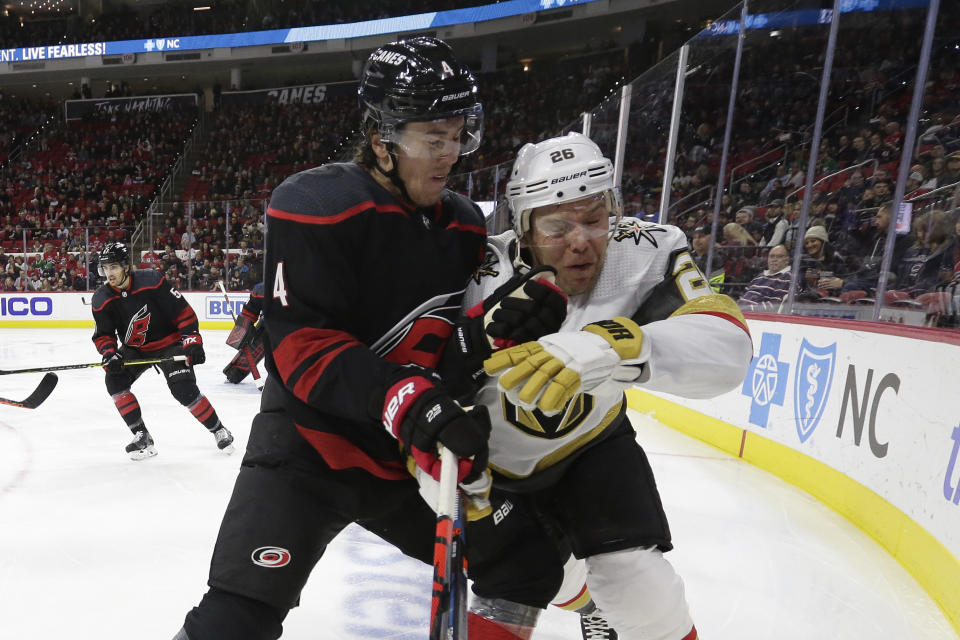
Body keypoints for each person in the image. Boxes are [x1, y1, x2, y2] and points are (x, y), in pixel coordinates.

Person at [175, 37, 573, 640]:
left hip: (407, 458)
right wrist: (405, 397)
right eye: (428, 139)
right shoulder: (314, 203)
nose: (447, 155)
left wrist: (492, 331)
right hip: (310, 448)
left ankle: (600, 605)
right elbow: (303, 346)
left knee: (526, 564)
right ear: (382, 137)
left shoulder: (464, 222)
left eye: (457, 135)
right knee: (237, 616)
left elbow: (443, 345)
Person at [458, 132, 753, 639]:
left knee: (640, 586)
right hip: (492, 466)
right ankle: (588, 604)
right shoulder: (473, 268)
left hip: (593, 445)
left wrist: (616, 344)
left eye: (595, 219)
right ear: (524, 228)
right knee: (517, 591)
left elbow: (728, 350)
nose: (581, 241)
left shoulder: (645, 250)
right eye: (558, 226)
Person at [90, 242, 233, 460]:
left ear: (126, 267)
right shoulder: (101, 298)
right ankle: (142, 435)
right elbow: (104, 335)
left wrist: (193, 342)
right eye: (106, 268)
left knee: (183, 390)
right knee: (114, 381)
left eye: (114, 267)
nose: (109, 273)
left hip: (170, 343)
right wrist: (110, 354)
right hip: (135, 348)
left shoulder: (152, 281)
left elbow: (184, 313)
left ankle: (219, 430)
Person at [222, 281, 265, 386]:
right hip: (269, 322)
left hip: (296, 326)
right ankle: (235, 373)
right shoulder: (263, 288)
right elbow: (249, 309)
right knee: (253, 346)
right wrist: (243, 329)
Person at [737, 244, 792, 309]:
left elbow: (774, 306)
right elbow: (743, 296)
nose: (774, 260)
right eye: (771, 256)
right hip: (740, 312)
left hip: (754, 316)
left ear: (787, 260)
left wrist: (745, 309)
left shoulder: (788, 278)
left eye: (779, 256)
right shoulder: (759, 276)